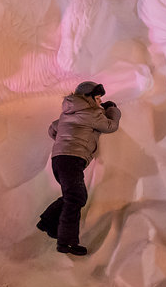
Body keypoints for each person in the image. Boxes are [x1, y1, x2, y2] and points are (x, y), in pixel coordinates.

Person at [37, 81, 121, 256]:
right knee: (75, 197)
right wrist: (112, 109)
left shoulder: (68, 113)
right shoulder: (92, 114)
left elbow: (52, 129)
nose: (100, 102)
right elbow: (110, 126)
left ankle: (49, 223)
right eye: (97, 98)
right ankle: (66, 242)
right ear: (88, 98)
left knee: (74, 196)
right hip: (72, 159)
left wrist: (66, 141)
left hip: (59, 159)